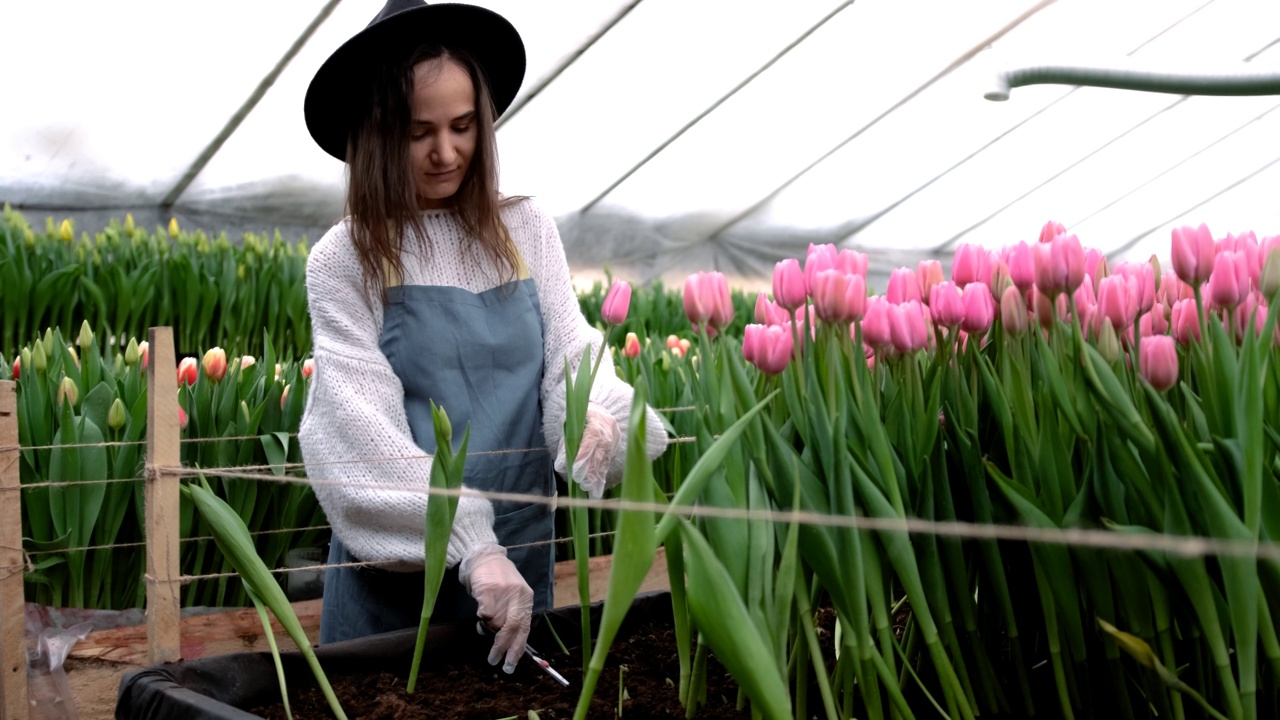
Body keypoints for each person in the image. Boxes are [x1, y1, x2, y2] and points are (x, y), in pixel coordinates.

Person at [297, 0, 667, 675]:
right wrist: (469, 539)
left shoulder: (524, 230)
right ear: (377, 134)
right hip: (397, 586)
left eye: (464, 126)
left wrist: (598, 421)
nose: (447, 153)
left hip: (517, 570)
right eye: (419, 134)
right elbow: (354, 432)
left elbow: (572, 355)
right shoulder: (346, 257)